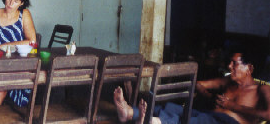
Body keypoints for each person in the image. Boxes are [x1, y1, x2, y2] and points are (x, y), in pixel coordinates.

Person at [114, 50, 270, 124]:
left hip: (229, 123)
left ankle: (155, 122)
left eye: (234, 63)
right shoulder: (227, 81)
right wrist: (211, 97)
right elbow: (198, 84)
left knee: (199, 119)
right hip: (210, 116)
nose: (229, 66)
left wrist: (232, 106)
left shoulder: (262, 89)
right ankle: (128, 113)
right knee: (176, 109)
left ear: (249, 68)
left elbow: (268, 115)